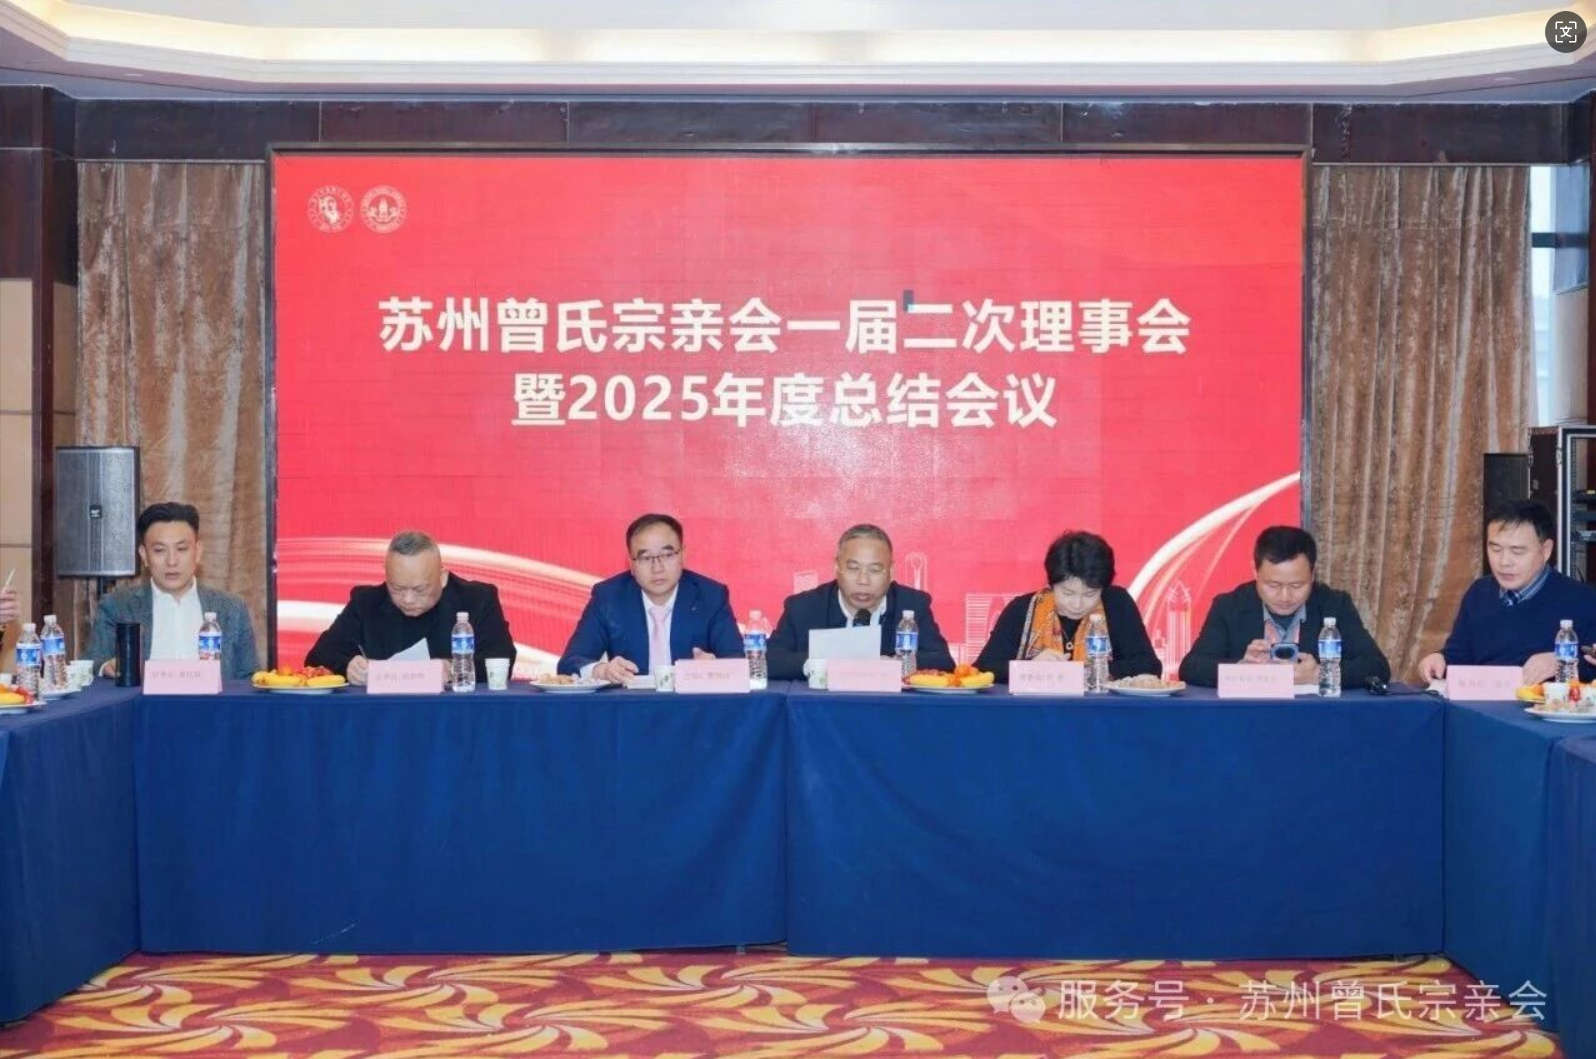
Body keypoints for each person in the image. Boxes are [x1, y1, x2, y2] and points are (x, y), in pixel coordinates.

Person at [1180, 525, 1389, 688]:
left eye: (1297, 585)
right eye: (1273, 585)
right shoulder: (1229, 606)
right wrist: (1241, 670)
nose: (1285, 597)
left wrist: (1319, 674)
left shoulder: (1335, 604)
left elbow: (1377, 666)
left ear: (1312, 574)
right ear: (1255, 572)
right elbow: (1191, 667)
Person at [1419, 500, 1596, 684]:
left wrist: (1563, 662)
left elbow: (1592, 665)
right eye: (1495, 549)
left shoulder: (1584, 601)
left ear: (1545, 550)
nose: (1504, 562)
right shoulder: (1479, 593)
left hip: (1546, 702)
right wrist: (1439, 659)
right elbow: (1457, 657)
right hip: (1483, 700)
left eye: (1517, 551)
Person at [306, 530, 514, 685]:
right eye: (397, 588)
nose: (407, 599)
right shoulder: (366, 602)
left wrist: (453, 669)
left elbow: (502, 659)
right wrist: (347, 667)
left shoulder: (477, 599)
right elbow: (318, 656)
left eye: (419, 589)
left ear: (442, 577)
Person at [557, 513, 743, 682]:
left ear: (683, 555)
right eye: (645, 558)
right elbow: (570, 663)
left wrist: (715, 668)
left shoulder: (711, 596)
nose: (657, 568)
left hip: (691, 706)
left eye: (667, 555)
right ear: (631, 563)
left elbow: (737, 662)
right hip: (631, 706)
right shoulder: (609, 597)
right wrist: (601, 671)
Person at [88, 501, 260, 680]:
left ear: (198, 552)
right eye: (159, 550)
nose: (171, 561)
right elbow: (92, 663)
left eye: (181, 549)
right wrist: (106, 667)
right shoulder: (118, 606)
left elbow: (249, 676)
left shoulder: (231, 608)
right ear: (144, 555)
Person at [768, 524, 955, 681]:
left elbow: (943, 661)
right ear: (837, 567)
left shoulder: (912, 604)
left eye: (875, 570)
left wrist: (896, 664)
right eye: (853, 568)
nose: (863, 580)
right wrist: (824, 663)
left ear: (891, 571)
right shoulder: (803, 607)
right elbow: (770, 660)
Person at [974, 530, 1160, 683]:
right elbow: (984, 668)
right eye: (1068, 593)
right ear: (1051, 584)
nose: (1077, 604)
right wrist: (1030, 667)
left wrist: (1085, 672)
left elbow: (1149, 665)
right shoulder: (1023, 609)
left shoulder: (1116, 603)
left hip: (1101, 713)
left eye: (1089, 594)